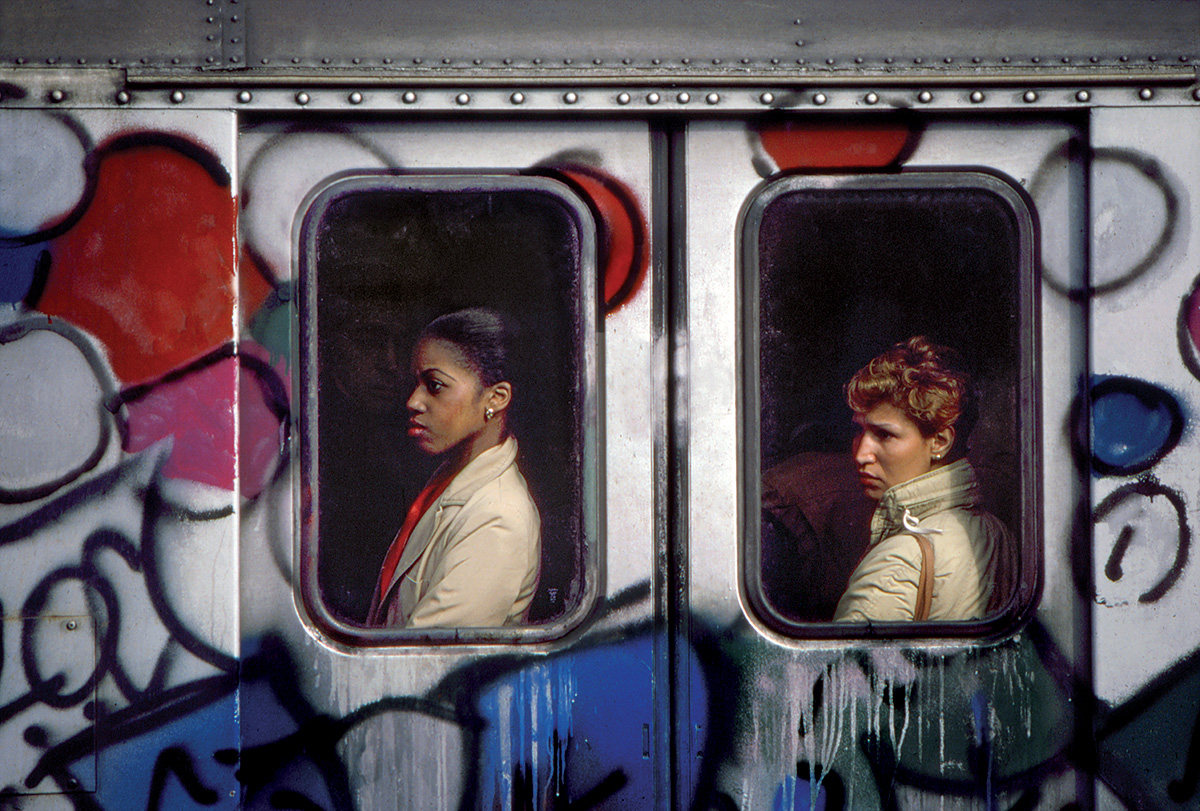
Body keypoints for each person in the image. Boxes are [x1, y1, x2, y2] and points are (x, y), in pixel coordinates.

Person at [365, 307, 541, 629]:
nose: (413, 401)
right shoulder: (450, 479)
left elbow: (426, 663)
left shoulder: (497, 517)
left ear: (496, 398)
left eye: (434, 385)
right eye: (416, 383)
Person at [833, 336, 1013, 623]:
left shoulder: (894, 566)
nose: (861, 454)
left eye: (884, 434)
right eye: (860, 431)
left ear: (940, 441)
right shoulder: (995, 532)